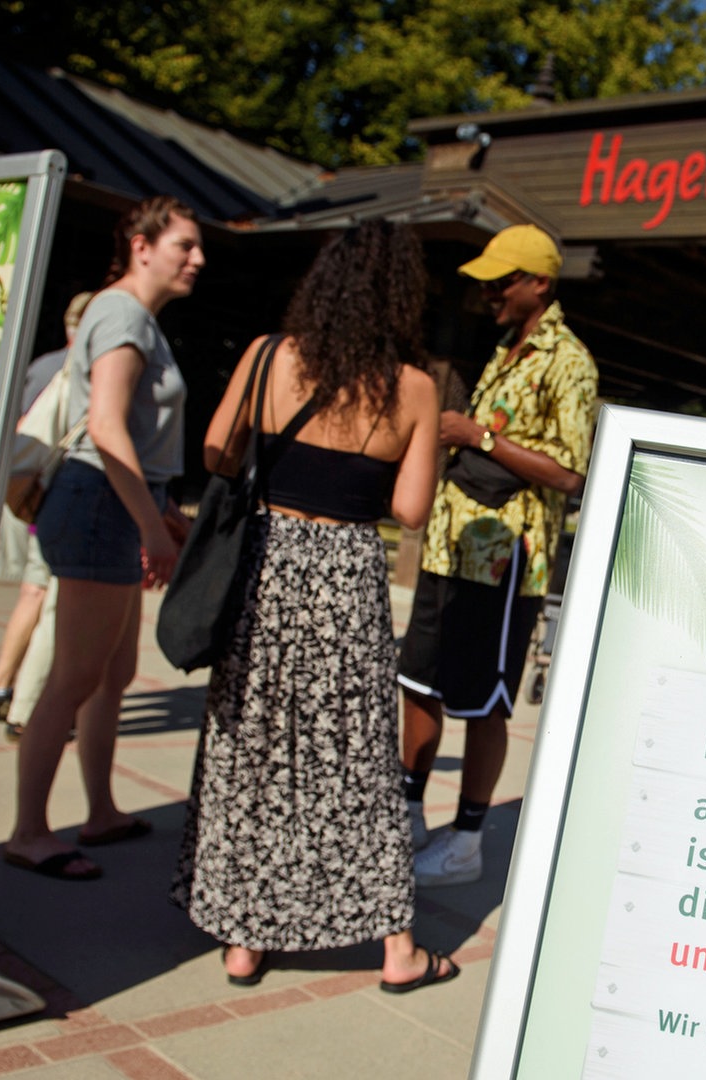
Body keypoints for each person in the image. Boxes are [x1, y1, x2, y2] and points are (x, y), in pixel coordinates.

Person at [171, 220, 457, 992]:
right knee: (357, 757)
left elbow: (216, 451)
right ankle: (397, 951)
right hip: (347, 579)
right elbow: (411, 509)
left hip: (265, 567)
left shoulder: (270, 356)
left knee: (253, 747)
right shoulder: (417, 387)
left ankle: (246, 939)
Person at [4, 196, 198, 881]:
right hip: (99, 503)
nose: (197, 259)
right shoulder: (120, 313)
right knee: (75, 677)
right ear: (142, 246)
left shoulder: (133, 317)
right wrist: (153, 526)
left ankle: (102, 810)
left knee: (110, 675)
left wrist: (161, 511)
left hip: (115, 502)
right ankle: (29, 830)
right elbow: (107, 425)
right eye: (185, 245)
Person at [398, 224, 598, 887]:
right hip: (452, 548)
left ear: (540, 283)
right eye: (485, 282)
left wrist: (475, 435)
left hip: (506, 559)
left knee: (484, 702)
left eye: (501, 281)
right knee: (420, 681)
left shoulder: (568, 361)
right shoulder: (506, 351)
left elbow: (571, 473)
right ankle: (404, 814)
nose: (488, 294)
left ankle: (467, 840)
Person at [0, 290, 94, 730]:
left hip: (36, 497)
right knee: (53, 604)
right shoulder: (76, 374)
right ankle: (29, 708)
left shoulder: (39, 367)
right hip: (62, 497)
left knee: (32, 593)